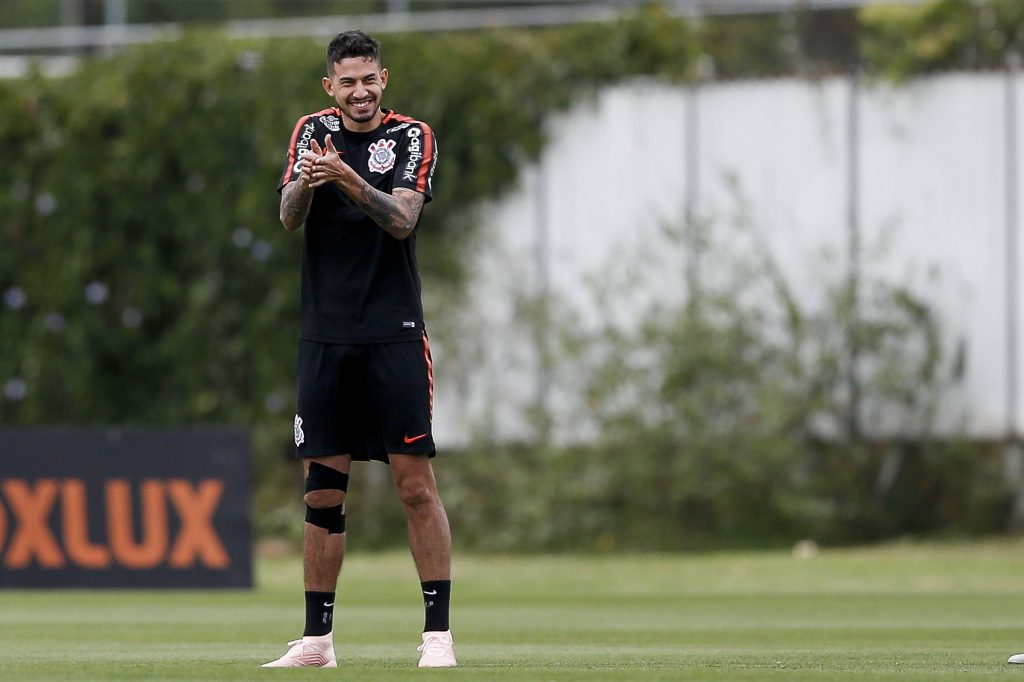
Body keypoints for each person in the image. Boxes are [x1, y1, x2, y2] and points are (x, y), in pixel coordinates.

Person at [261, 29, 455, 669]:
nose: (360, 91)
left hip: (393, 334)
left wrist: (343, 176)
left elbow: (402, 220)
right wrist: (309, 181)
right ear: (330, 87)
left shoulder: (411, 137)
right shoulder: (310, 131)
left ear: (384, 79)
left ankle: (437, 637)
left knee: (414, 484)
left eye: (369, 79)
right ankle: (317, 640)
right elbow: (289, 215)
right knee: (321, 489)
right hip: (325, 335)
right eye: (347, 81)